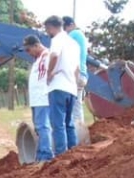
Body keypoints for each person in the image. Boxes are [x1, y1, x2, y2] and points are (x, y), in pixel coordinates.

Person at [44, 15, 81, 156]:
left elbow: (54, 56)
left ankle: (61, 156)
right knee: (69, 123)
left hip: (58, 86)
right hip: (71, 87)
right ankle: (74, 153)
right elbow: (77, 69)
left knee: (58, 124)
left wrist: (49, 72)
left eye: (48, 29)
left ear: (51, 27)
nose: (48, 33)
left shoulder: (57, 39)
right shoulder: (74, 44)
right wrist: (75, 85)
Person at [24, 34, 53, 162]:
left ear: (36, 45)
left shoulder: (47, 56)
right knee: (38, 127)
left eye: (28, 50)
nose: (28, 53)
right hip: (36, 99)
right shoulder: (38, 59)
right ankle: (41, 153)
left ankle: (46, 155)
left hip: (43, 97)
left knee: (43, 126)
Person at [63, 16, 89, 126]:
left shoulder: (74, 34)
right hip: (82, 74)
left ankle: (78, 134)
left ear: (72, 24)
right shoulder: (80, 36)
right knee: (77, 105)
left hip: (76, 74)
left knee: (74, 107)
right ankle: (79, 131)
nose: (65, 30)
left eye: (65, 27)